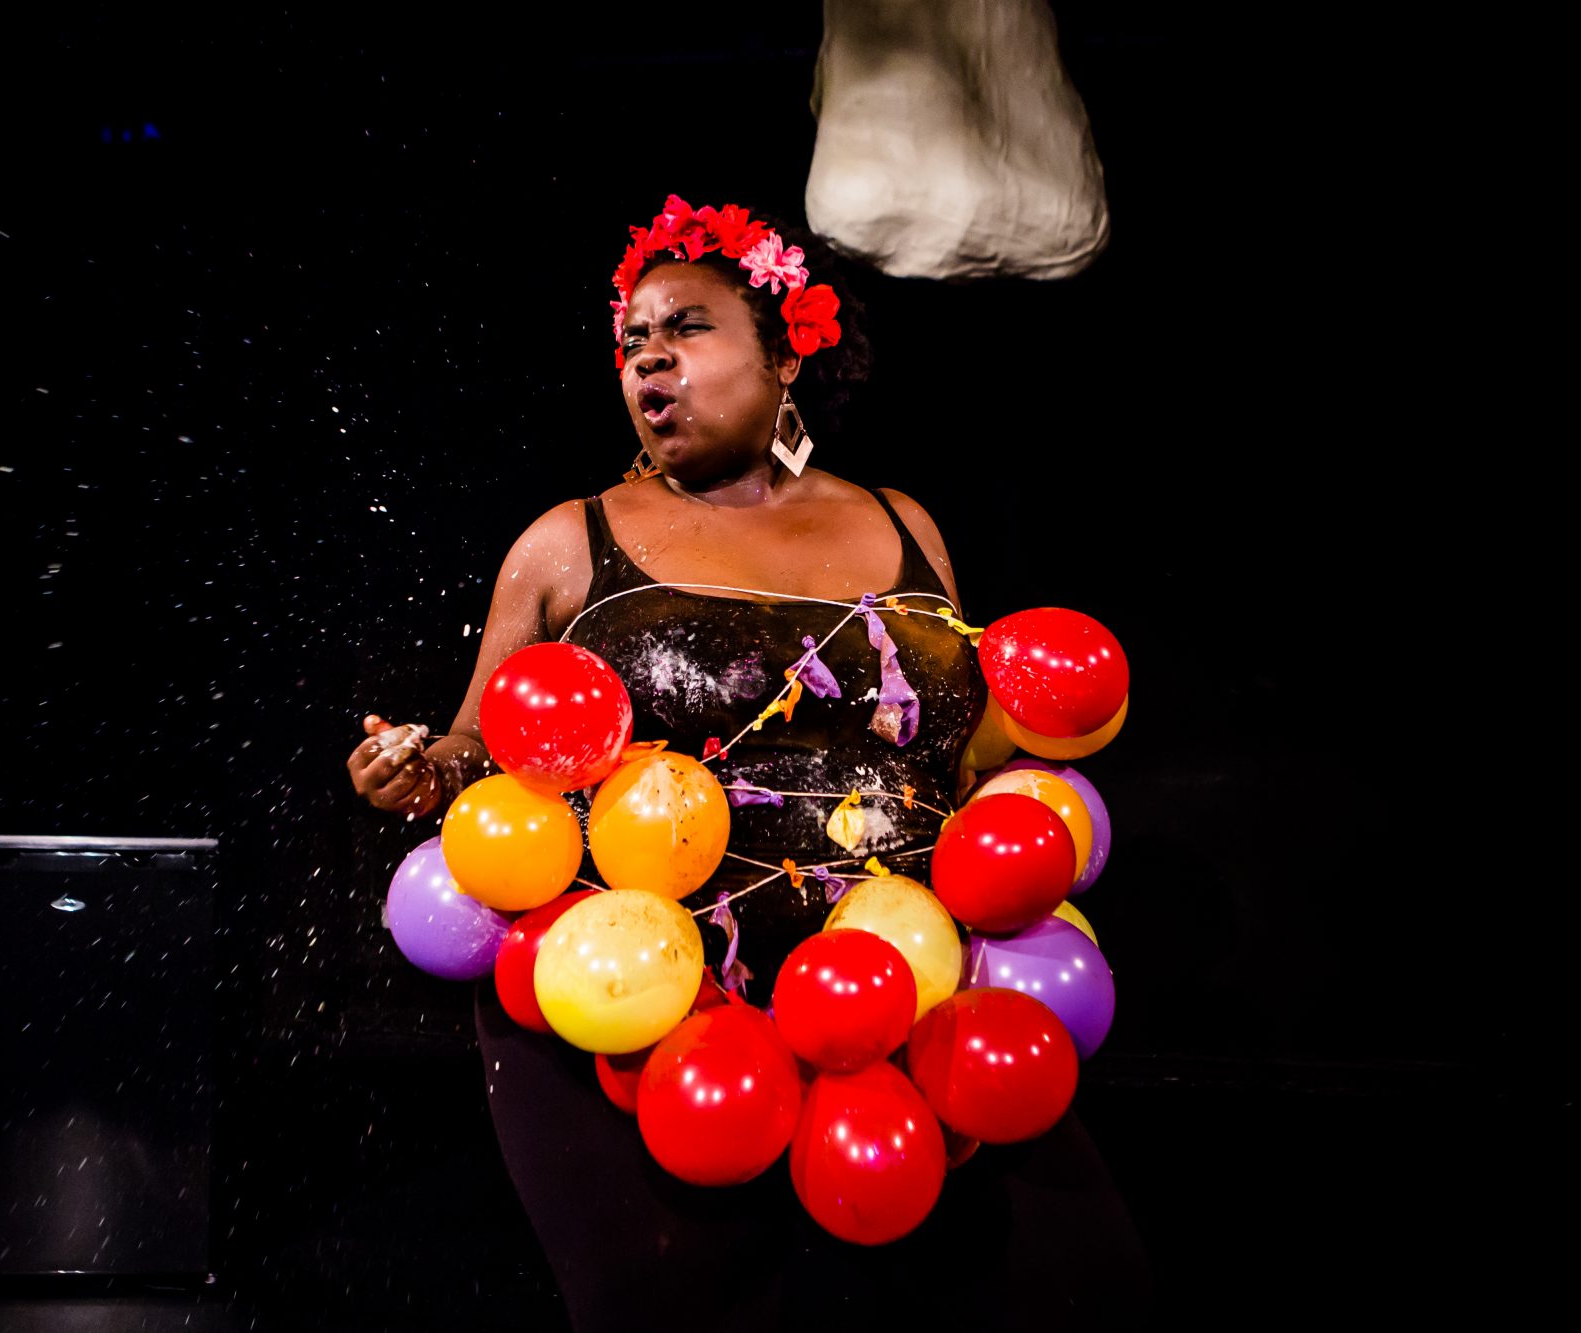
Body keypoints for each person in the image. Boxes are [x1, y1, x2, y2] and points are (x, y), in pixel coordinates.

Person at [346, 197, 1148, 1331]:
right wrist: (412, 766)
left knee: (1080, 1293)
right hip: (642, 1011)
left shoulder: (904, 522)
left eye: (685, 326)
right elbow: (475, 753)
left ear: (784, 354)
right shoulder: (570, 540)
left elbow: (959, 757)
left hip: (900, 996)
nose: (648, 357)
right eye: (630, 343)